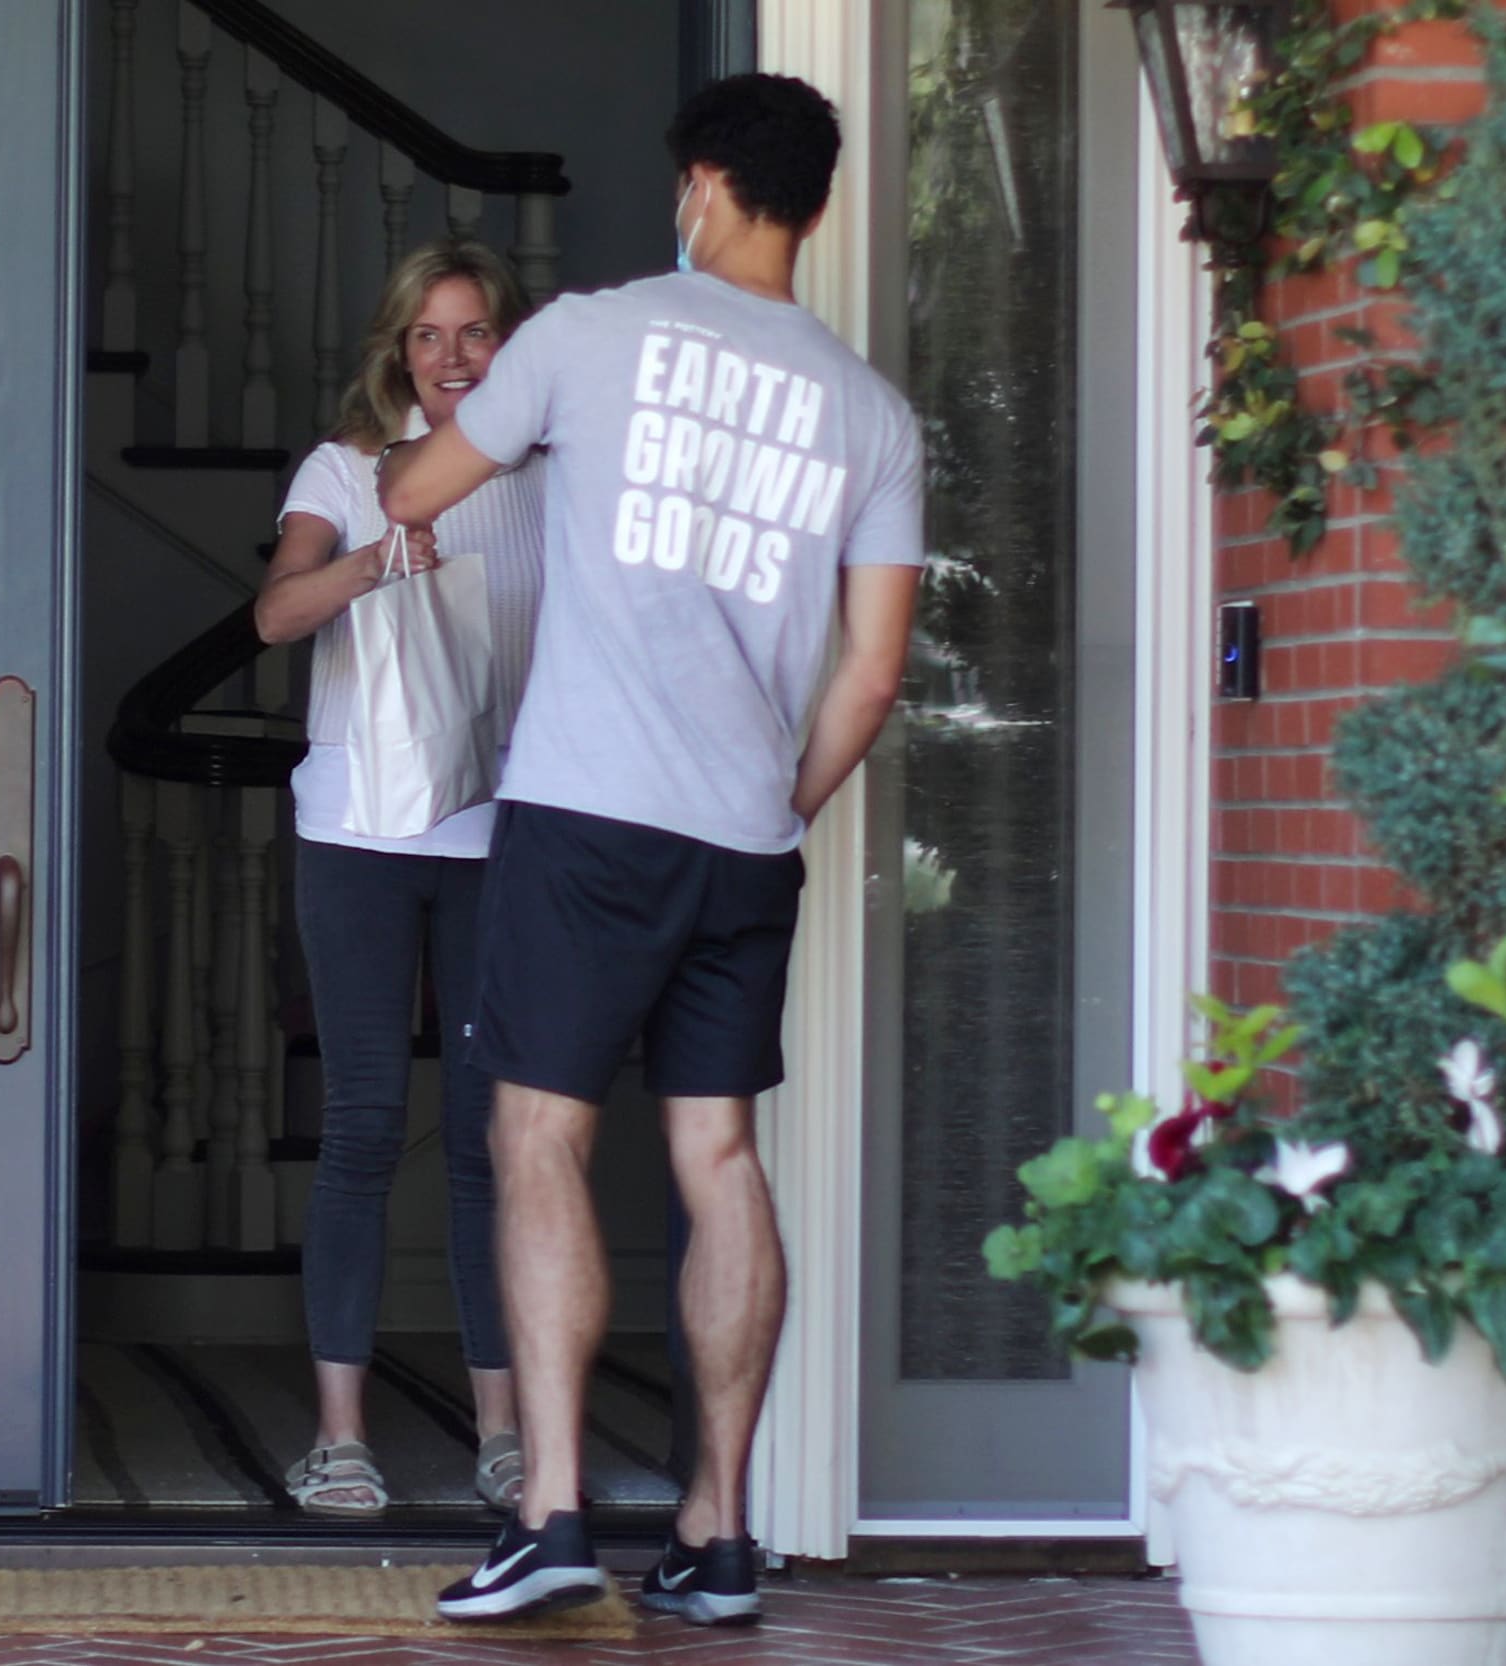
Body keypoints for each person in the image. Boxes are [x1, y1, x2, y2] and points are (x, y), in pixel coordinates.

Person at [378, 76, 925, 1622]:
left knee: (536, 1135)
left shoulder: (587, 334)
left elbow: (417, 484)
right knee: (719, 1154)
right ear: (808, 209)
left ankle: (552, 1512)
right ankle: (720, 1532)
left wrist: (432, 476)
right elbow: (871, 671)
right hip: (743, 842)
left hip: (588, 816)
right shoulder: (870, 411)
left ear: (701, 186)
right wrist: (777, 800)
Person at [253, 240, 546, 1516]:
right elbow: (273, 614)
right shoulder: (345, 472)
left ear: (508, 349)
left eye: (474, 334)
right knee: (364, 1128)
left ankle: (506, 1434)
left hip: (503, 836)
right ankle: (339, 1437)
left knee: (494, 1139)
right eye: (428, 336)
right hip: (359, 841)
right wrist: (382, 551)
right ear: (396, 350)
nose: (450, 359)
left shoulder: (549, 477)